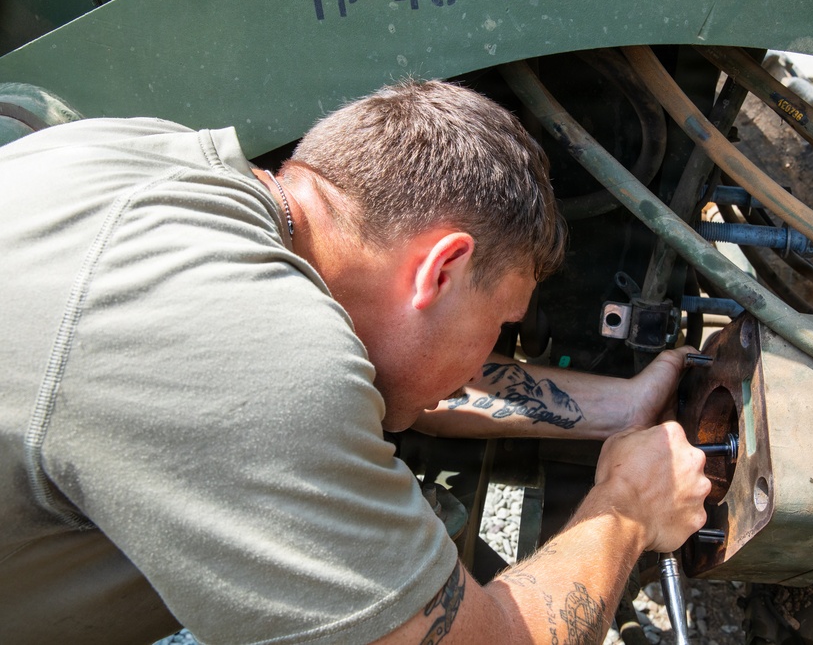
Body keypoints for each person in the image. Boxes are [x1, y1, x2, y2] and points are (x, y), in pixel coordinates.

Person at [0, 79, 711, 644]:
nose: (488, 350)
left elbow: (384, 367)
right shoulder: (255, 353)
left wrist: (619, 407)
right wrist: (627, 507)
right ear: (443, 267)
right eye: (500, 323)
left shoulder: (152, 164)